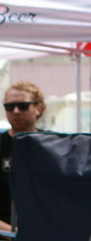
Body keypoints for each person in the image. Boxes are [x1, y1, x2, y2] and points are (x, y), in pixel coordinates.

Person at [0, 81, 44, 232]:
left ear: (38, 108)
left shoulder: (53, 145)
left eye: (23, 106)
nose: (16, 111)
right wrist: (12, 232)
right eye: (10, 107)